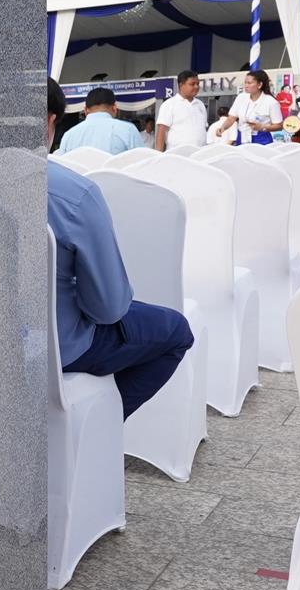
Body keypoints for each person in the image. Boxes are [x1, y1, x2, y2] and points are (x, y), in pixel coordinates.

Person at [46, 154, 194, 417]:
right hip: (57, 350)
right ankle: (100, 427)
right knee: (176, 332)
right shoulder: (74, 194)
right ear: (49, 129)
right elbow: (108, 310)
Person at [57, 85, 145, 155]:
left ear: (85, 110)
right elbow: (142, 163)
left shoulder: (69, 135)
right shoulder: (129, 130)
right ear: (114, 108)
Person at [211, 69, 285, 145]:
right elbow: (231, 118)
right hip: (242, 137)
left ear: (259, 85)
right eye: (245, 83)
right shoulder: (241, 97)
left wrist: (262, 127)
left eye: (249, 83)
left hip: (261, 139)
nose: (246, 85)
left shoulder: (271, 102)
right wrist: (222, 128)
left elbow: (279, 126)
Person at [152, 70, 208, 153]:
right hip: (177, 155)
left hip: (199, 154)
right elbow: (161, 131)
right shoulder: (169, 104)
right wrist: (158, 154)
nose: (196, 87)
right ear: (181, 85)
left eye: (197, 84)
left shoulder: (200, 105)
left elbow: (203, 129)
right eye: (192, 84)